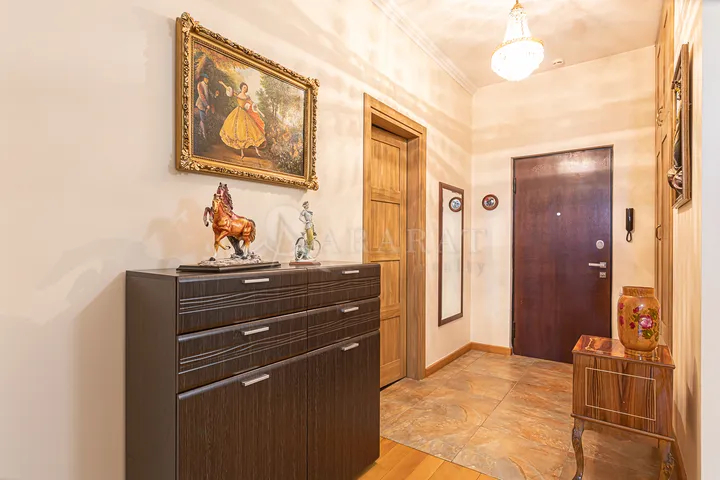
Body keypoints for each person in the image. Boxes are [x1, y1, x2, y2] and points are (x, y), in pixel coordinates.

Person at [218, 81, 266, 159]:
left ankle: (257, 151)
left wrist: (257, 109)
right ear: (241, 88)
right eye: (244, 87)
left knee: (251, 131)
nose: (245, 88)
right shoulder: (237, 94)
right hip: (237, 112)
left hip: (244, 113)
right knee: (239, 132)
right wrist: (223, 84)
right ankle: (242, 153)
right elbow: (229, 89)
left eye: (246, 88)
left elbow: (253, 104)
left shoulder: (247, 97)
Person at [196, 73, 212, 139]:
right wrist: (206, 105)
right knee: (203, 119)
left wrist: (215, 95)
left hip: (206, 104)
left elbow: (210, 94)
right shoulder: (200, 84)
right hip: (201, 104)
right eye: (206, 79)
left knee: (204, 119)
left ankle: (200, 132)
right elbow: (201, 95)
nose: (207, 80)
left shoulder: (207, 85)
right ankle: (203, 134)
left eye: (208, 79)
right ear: (204, 78)